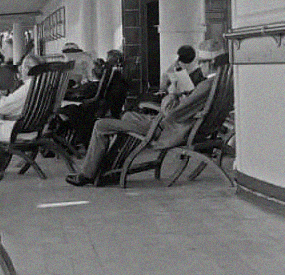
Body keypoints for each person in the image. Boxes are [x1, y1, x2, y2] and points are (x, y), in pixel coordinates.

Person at [65, 39, 226, 187]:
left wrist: (171, 93)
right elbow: (189, 109)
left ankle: (87, 174)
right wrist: (184, 96)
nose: (199, 65)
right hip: (188, 127)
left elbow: (172, 114)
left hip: (168, 130)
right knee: (127, 116)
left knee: (101, 125)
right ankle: (110, 168)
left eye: (201, 62)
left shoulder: (206, 86)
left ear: (210, 62)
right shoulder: (221, 83)